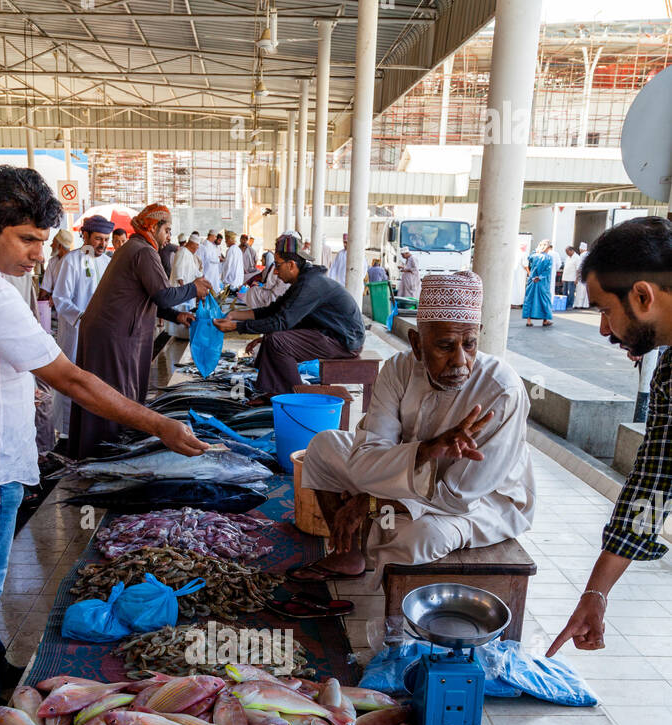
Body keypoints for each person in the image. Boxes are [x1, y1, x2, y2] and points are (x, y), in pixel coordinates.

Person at [0, 167, 207, 725]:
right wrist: (158, 425)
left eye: (43, 239)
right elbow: (76, 381)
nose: (39, 254)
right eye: (28, 239)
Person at [294, 270, 534, 582]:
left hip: (483, 504)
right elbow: (368, 454)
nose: (460, 360)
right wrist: (426, 452)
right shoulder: (398, 369)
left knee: (419, 537)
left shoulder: (502, 391)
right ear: (417, 344)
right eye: (445, 346)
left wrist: (369, 501)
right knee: (324, 446)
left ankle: (395, 623)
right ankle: (346, 555)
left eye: (470, 344)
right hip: (404, 477)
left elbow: (459, 497)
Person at [548, 217, 672, 656]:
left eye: (604, 309)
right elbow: (653, 483)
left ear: (642, 295)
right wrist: (596, 593)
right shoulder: (668, 373)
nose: (603, 329)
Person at [69, 202, 212, 454]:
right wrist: (194, 288)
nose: (169, 236)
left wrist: (177, 316)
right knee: (113, 396)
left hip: (109, 332)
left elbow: (151, 297)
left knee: (103, 392)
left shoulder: (136, 248)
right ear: (154, 227)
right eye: (167, 229)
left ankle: (95, 452)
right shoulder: (143, 251)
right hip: (114, 336)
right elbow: (164, 295)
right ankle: (106, 456)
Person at [214, 231, 365, 397]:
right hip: (330, 334)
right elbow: (273, 309)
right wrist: (235, 315)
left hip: (344, 341)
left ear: (291, 265)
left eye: (278, 266)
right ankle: (269, 391)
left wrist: (237, 327)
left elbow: (281, 322)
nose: (276, 272)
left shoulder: (310, 285)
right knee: (272, 337)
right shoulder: (302, 282)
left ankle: (296, 394)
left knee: (277, 341)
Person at [50, 213, 113, 437]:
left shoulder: (108, 263)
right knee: (73, 380)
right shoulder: (71, 261)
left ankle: (96, 428)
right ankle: (69, 433)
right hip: (76, 333)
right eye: (98, 239)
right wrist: (82, 318)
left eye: (106, 239)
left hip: (101, 336)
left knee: (99, 380)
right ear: (85, 236)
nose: (103, 244)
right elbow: (60, 298)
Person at [167, 231, 203, 339]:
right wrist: (184, 291)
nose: (197, 248)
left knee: (187, 314)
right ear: (192, 244)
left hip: (188, 291)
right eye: (197, 246)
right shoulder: (182, 252)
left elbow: (196, 272)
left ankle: (183, 336)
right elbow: (179, 274)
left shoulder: (189, 254)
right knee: (180, 314)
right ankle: (179, 337)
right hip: (181, 291)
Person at [522, 241, 554, 327]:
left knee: (530, 299)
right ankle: (545, 320)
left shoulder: (533, 256)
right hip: (542, 282)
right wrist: (539, 277)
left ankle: (528, 321)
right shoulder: (549, 258)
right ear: (548, 248)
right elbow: (548, 270)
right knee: (544, 300)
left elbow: (528, 263)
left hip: (532, 280)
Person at [39, 228, 73, 299]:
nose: (51, 245)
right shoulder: (52, 261)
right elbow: (45, 289)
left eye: (53, 243)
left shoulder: (75, 261)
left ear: (60, 246)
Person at [561, 245, 579, 309]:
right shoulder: (567, 257)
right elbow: (565, 268)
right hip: (566, 277)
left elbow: (578, 269)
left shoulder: (577, 257)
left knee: (571, 292)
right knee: (564, 292)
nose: (567, 253)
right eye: (566, 252)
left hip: (572, 278)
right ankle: (564, 304)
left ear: (572, 250)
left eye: (568, 252)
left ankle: (570, 304)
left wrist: (576, 279)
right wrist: (563, 278)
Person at [573, 241, 590, 309]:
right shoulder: (589, 254)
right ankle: (585, 305)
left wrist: (576, 278)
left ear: (581, 249)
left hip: (582, 276)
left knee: (580, 290)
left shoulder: (582, 255)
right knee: (586, 291)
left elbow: (579, 267)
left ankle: (579, 305)